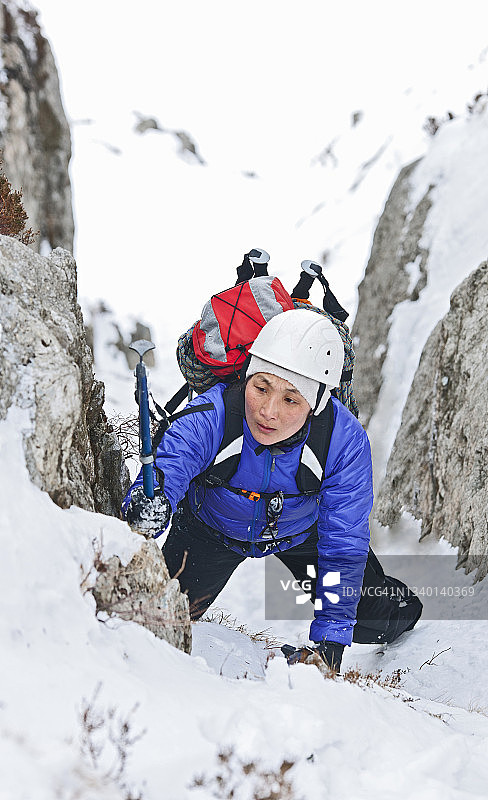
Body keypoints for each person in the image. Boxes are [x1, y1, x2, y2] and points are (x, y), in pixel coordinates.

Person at [123, 309, 421, 671]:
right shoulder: (213, 413)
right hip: (210, 528)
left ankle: (407, 608)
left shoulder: (343, 440)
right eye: (260, 387)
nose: (268, 411)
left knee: (374, 622)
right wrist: (148, 506)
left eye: (291, 399)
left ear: (316, 403)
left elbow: (343, 542)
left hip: (301, 533)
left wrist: (330, 645)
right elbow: (172, 465)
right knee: (158, 618)